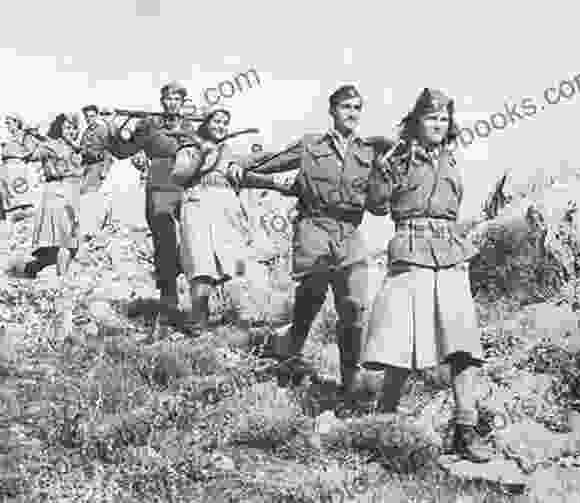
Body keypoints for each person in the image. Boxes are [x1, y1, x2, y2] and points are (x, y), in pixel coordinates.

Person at [234, 85, 389, 402]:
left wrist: (383, 176)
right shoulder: (310, 145)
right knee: (311, 300)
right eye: (346, 107)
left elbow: (379, 207)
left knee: (354, 308)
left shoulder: (369, 152)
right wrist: (242, 165)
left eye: (357, 107)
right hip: (314, 229)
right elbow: (272, 162)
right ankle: (290, 355)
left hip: (349, 234)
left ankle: (349, 382)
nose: (352, 113)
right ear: (332, 111)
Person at [361, 88, 491, 463]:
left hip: (449, 253)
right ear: (416, 122)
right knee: (400, 346)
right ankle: (383, 424)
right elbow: (376, 206)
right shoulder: (397, 157)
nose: (439, 123)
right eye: (432, 117)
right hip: (410, 250)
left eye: (444, 118)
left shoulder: (451, 159)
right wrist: (382, 173)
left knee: (464, 346)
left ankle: (465, 430)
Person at [107, 81, 197, 335]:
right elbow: (123, 150)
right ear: (163, 101)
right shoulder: (149, 125)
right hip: (158, 187)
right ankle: (169, 302)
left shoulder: (191, 128)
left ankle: (198, 304)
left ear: (183, 103)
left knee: (193, 239)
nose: (172, 103)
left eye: (178, 99)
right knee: (164, 243)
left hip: (187, 187)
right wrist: (116, 129)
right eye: (168, 98)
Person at [170, 107, 253, 335]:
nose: (220, 126)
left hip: (226, 207)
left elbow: (241, 170)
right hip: (197, 204)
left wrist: (238, 166)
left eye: (224, 123)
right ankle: (198, 320)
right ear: (205, 123)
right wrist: (200, 156)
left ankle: (237, 318)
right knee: (200, 263)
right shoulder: (189, 147)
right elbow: (178, 176)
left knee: (233, 263)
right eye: (216, 121)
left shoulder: (229, 150)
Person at [8, 113, 83, 279]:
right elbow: (29, 155)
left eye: (74, 128)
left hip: (72, 192)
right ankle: (61, 282)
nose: (71, 131)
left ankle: (32, 269)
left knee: (63, 243)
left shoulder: (76, 149)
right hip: (58, 192)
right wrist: (26, 135)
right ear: (60, 130)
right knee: (67, 241)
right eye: (67, 128)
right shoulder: (51, 146)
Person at [80, 104, 114, 194]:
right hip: (86, 166)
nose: (89, 119)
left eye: (92, 116)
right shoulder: (86, 132)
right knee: (83, 192)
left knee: (90, 194)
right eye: (86, 117)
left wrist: (104, 170)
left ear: (96, 116)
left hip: (97, 166)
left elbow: (109, 150)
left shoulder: (102, 130)